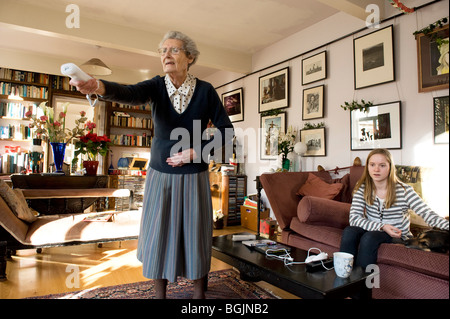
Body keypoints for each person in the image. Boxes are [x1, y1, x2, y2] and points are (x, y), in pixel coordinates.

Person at [70, 31, 234, 299]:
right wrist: (98, 87)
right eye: (163, 51)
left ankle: (198, 294)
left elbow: (227, 131)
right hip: (160, 174)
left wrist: (196, 152)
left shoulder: (205, 91)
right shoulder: (156, 86)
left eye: (174, 50)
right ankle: (159, 295)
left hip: (194, 174)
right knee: (159, 235)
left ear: (189, 57)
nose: (166, 55)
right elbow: (129, 93)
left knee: (196, 234)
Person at [339, 148, 449, 268]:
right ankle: (344, 275)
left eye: (382, 165)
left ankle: (362, 283)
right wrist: (381, 226)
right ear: (368, 167)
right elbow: (354, 219)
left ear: (390, 167)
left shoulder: (405, 191)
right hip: (374, 229)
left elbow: (428, 214)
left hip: (397, 235)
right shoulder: (363, 188)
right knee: (349, 231)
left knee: (369, 238)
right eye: (372, 165)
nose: (376, 169)